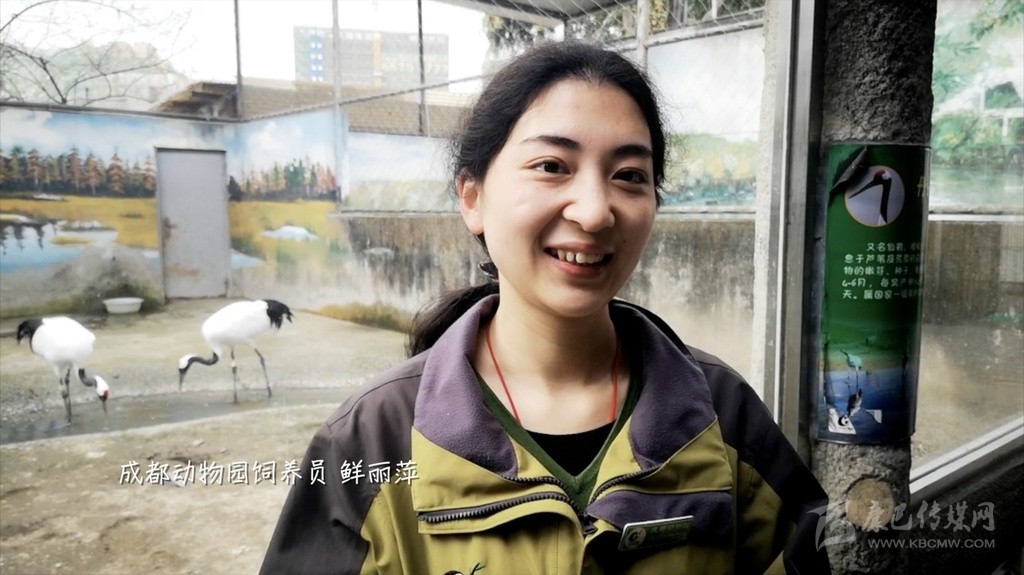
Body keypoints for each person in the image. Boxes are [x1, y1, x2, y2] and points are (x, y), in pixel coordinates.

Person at [261, 41, 831, 575]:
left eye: (629, 176)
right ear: (472, 197)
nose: (595, 211)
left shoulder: (721, 414)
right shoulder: (373, 439)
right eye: (552, 166)